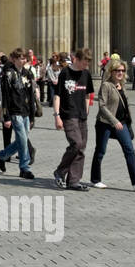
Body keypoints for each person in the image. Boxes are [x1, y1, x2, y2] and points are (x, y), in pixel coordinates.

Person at [89, 59, 135, 191]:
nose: (120, 73)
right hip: (105, 123)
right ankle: (95, 179)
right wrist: (114, 121)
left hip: (122, 123)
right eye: (117, 70)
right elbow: (102, 106)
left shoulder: (121, 85)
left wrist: (127, 121)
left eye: (122, 71)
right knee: (100, 151)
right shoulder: (106, 85)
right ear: (111, 71)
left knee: (129, 149)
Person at [52, 48, 93, 191]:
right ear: (77, 59)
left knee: (81, 148)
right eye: (84, 62)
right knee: (76, 143)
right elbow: (57, 96)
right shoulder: (65, 73)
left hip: (82, 115)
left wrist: (86, 110)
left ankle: (73, 181)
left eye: (88, 63)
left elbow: (88, 95)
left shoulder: (86, 74)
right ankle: (60, 171)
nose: (86, 66)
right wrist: (57, 116)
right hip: (68, 114)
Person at [0, 48, 39, 179]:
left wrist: (32, 115)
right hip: (14, 111)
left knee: (21, 140)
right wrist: (6, 116)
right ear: (14, 59)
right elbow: (6, 96)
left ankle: (1, 155)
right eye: (20, 58)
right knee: (23, 140)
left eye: (25, 58)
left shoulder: (28, 73)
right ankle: (24, 168)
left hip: (26, 111)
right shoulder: (8, 74)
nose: (23, 60)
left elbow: (31, 96)